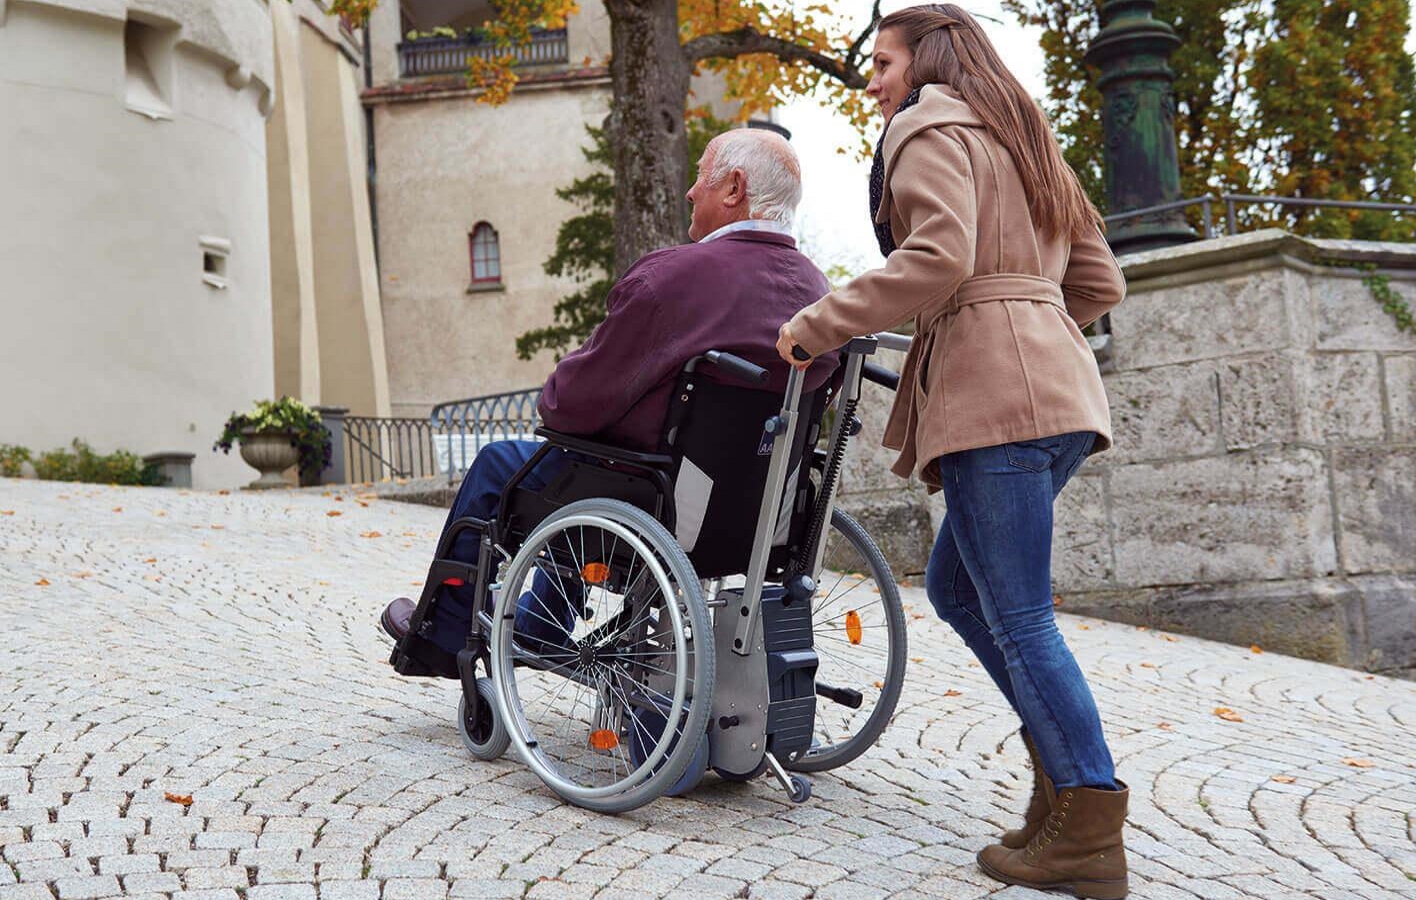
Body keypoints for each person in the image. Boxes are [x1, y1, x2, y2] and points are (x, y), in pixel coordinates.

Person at [776, 5, 1130, 898]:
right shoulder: (1028, 137)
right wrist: (1033, 326)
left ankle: (1086, 829)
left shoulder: (924, 126)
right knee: (956, 588)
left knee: (1017, 615)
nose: (875, 81)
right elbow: (1099, 280)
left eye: (883, 61)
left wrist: (814, 328)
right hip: (1060, 395)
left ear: (926, 60)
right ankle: (1060, 783)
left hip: (996, 400)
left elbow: (936, 258)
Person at [382, 127, 839, 672]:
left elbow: (569, 404)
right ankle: (536, 626)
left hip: (657, 504)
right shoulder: (821, 295)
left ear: (734, 187)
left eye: (700, 176)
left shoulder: (674, 278)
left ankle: (441, 635)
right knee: (587, 469)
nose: (691, 192)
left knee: (514, 466)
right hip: (762, 518)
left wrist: (564, 396)